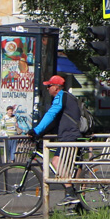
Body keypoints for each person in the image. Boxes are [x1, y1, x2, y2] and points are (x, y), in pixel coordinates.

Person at [30, 74, 83, 205]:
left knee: (56, 161)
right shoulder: (68, 97)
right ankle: (75, 202)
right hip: (72, 135)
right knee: (70, 167)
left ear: (56, 87)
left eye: (49, 86)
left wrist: (36, 130)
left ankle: (70, 193)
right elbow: (55, 122)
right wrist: (42, 133)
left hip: (69, 136)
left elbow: (51, 114)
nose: (47, 89)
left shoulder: (61, 96)